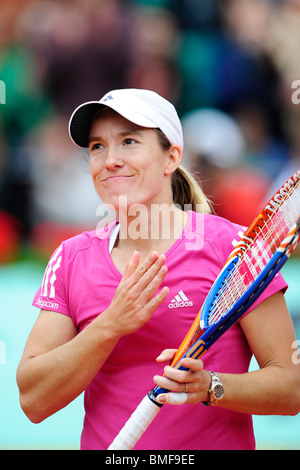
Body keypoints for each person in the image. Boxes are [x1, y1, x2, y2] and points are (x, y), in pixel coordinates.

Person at [17, 89, 300, 450]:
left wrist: (209, 386)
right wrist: (110, 325)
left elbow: (292, 389)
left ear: (171, 158)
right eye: (97, 147)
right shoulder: (71, 257)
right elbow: (33, 400)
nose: (110, 160)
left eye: (129, 141)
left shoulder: (234, 249)